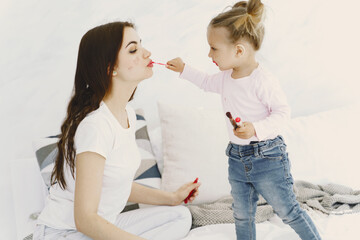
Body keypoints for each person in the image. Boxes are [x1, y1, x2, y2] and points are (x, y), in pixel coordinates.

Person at [166, 0, 322, 239]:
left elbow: (282, 113)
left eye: (214, 48)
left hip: (267, 157)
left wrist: (255, 129)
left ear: (239, 50)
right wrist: (183, 69)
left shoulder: (263, 80)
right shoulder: (225, 77)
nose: (209, 54)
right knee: (241, 214)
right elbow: (206, 83)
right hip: (237, 159)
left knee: (288, 211)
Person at [33, 21, 200, 240]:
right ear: (111, 68)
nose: (147, 53)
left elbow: (116, 185)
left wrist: (172, 197)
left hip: (99, 226)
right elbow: (84, 220)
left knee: (179, 216)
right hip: (66, 233)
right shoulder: (95, 126)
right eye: (133, 50)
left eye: (141, 45)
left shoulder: (126, 114)